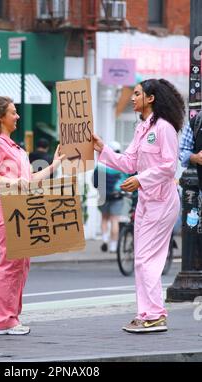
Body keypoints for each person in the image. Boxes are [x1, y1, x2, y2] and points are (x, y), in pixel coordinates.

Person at [93, 78, 185, 333]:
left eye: (136, 94)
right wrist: (103, 149)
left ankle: (155, 314)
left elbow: (168, 166)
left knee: (146, 258)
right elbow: (129, 162)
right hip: (146, 200)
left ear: (150, 98)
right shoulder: (142, 128)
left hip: (163, 202)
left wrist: (140, 179)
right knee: (140, 259)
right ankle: (146, 313)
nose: (132, 98)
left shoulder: (164, 127)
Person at [0, 93, 64, 335]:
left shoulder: (14, 146)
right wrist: (12, 181)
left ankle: (12, 318)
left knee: (20, 266)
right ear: (1, 117)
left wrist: (53, 166)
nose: (17, 116)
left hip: (21, 209)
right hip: (8, 210)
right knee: (10, 265)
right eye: (13, 112)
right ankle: (2, 321)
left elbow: (28, 180)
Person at [93, 141, 128, 253]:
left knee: (104, 218)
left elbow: (95, 182)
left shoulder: (101, 164)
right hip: (117, 196)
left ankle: (104, 239)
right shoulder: (121, 165)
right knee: (115, 221)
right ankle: (113, 246)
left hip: (103, 196)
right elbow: (125, 180)